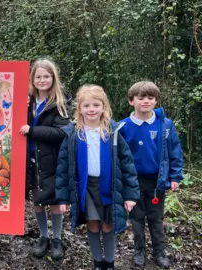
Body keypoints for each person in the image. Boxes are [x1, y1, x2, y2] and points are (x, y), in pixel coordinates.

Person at [56, 85, 140, 270]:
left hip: (109, 187)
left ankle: (109, 263)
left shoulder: (113, 132)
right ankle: (97, 262)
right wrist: (63, 198)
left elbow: (127, 165)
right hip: (86, 187)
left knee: (108, 225)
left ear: (104, 107)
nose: (91, 109)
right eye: (87, 105)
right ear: (79, 108)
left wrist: (131, 195)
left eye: (96, 104)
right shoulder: (72, 134)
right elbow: (63, 168)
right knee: (93, 225)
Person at [119, 81, 183, 268]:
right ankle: (139, 251)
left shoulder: (166, 125)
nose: (146, 101)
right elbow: (120, 157)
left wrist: (175, 176)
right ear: (132, 101)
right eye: (141, 98)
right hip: (133, 181)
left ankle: (160, 251)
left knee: (156, 218)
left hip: (157, 181)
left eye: (150, 98)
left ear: (155, 101)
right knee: (137, 218)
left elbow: (175, 152)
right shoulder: (123, 126)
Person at [19, 59, 70, 261]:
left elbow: (62, 131)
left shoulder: (60, 101)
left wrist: (33, 130)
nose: (42, 80)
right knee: (38, 201)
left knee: (55, 202)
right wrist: (20, 109)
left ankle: (57, 239)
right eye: (38, 76)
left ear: (53, 78)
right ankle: (43, 236)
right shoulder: (27, 100)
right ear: (32, 79)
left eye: (46, 76)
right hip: (31, 159)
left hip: (52, 160)